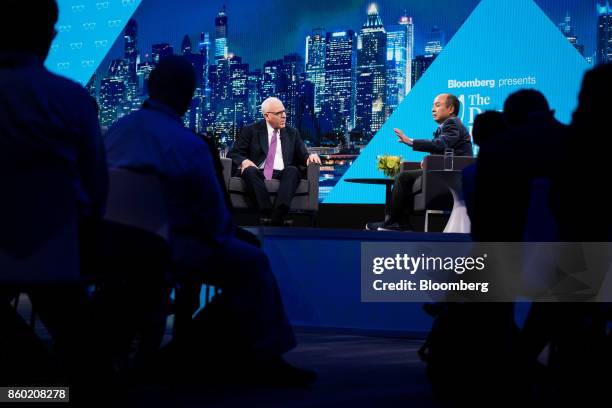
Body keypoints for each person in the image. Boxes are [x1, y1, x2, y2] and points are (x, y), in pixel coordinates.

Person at [104, 56, 316, 387]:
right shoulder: (188, 144)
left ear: (149, 88)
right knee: (253, 261)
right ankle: (264, 356)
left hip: (109, 247)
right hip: (171, 247)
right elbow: (213, 221)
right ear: (189, 96)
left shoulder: (115, 133)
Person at [0, 0, 170, 385]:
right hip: (58, 248)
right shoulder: (71, 99)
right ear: (49, 37)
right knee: (152, 254)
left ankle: (25, 380)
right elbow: (96, 188)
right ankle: (95, 362)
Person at [366, 93, 473, 231]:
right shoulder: (447, 126)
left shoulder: (452, 124)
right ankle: (399, 222)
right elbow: (443, 148)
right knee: (404, 177)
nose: (433, 109)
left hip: (452, 176)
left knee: (403, 177)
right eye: (433, 106)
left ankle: (394, 222)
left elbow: (441, 144)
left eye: (437, 105)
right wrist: (428, 160)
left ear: (451, 109)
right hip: (440, 171)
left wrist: (411, 142)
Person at [228, 97, 321, 226]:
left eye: (284, 112)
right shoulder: (251, 130)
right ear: (267, 116)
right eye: (279, 113)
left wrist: (310, 157)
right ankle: (267, 213)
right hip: (258, 172)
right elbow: (233, 153)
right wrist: (244, 161)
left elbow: (303, 155)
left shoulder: (292, 132)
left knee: (293, 170)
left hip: (283, 172)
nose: (284, 116)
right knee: (250, 171)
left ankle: (276, 215)